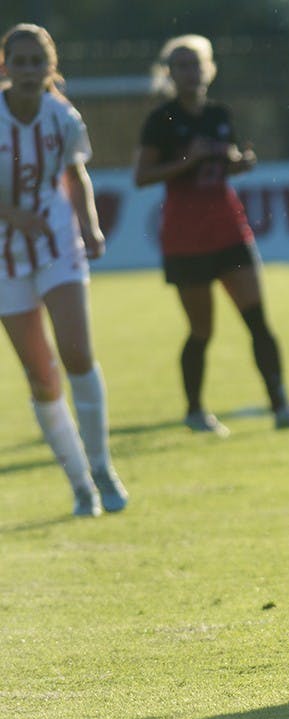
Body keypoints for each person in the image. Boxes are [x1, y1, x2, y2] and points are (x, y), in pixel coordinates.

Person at [134, 34, 289, 435]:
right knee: (202, 330)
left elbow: (220, 164)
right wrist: (187, 159)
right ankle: (195, 411)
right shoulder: (161, 120)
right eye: (181, 65)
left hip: (229, 229)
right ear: (170, 73)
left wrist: (238, 164)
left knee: (258, 321)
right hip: (185, 237)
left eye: (196, 63)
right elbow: (142, 176)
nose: (190, 72)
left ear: (209, 69)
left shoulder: (219, 114)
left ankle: (281, 404)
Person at [0, 23, 129, 516]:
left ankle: (101, 466)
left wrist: (90, 227)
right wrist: (12, 216)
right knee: (41, 375)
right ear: (6, 65)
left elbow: (76, 175)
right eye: (21, 61)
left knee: (77, 353)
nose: (29, 70)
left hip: (57, 244)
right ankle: (79, 483)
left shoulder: (63, 118)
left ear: (49, 67)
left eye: (38, 62)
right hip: (6, 257)